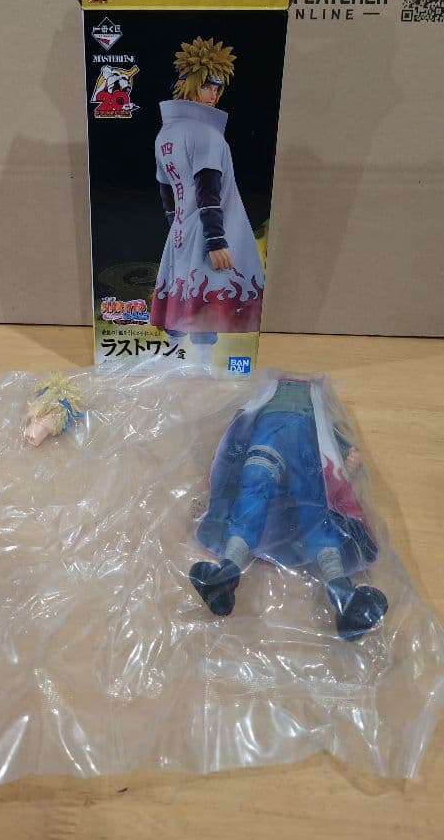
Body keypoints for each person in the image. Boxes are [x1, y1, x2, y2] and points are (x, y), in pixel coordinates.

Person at [189, 375, 388, 640]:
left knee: (310, 506)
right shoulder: (269, 390)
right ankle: (227, 571)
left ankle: (342, 591)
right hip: (273, 437)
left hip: (299, 444)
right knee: (257, 490)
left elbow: (327, 432)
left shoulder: (311, 395)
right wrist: (225, 454)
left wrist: (345, 453)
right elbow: (240, 426)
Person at [149, 36, 264, 366]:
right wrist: (215, 239)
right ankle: (198, 368)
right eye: (207, 86)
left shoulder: (165, 134)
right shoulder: (207, 134)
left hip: (181, 230)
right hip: (207, 229)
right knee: (206, 294)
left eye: (217, 88)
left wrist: (176, 226)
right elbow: (208, 188)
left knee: (181, 291)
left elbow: (166, 191)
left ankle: (174, 364)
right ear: (188, 85)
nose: (213, 94)